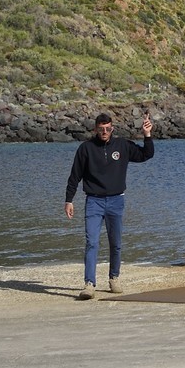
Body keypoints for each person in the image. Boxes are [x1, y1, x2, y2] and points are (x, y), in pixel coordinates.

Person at [64, 112, 154, 300]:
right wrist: (69, 200)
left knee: (116, 244)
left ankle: (114, 278)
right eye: (101, 129)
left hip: (116, 201)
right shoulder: (86, 148)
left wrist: (147, 135)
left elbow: (147, 154)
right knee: (92, 242)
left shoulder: (122, 145)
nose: (104, 132)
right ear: (95, 129)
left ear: (112, 128)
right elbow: (75, 176)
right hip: (94, 202)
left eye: (107, 129)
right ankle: (89, 284)